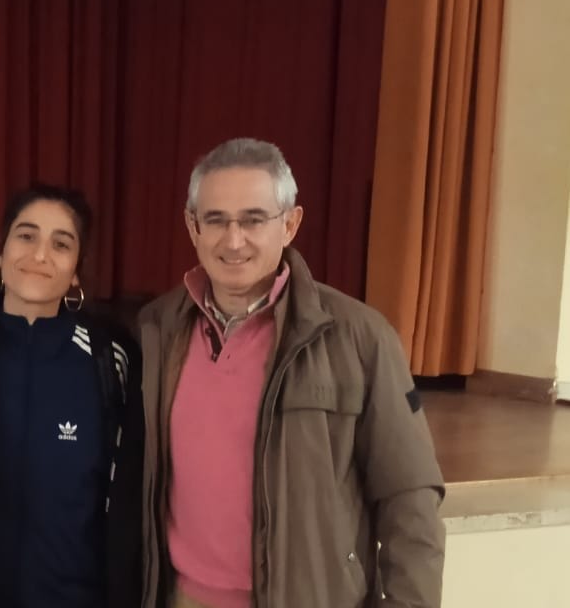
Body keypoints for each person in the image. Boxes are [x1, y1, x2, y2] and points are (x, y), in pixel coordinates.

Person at [138, 138, 445, 608]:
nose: (233, 240)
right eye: (216, 220)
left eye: (253, 219)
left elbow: (410, 496)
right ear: (192, 226)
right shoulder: (157, 330)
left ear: (290, 224)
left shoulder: (359, 338)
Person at [0, 183, 143, 608]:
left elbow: (124, 502)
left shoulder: (111, 359)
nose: (40, 255)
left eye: (61, 244)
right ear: (0, 252)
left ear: (77, 270)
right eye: (27, 236)